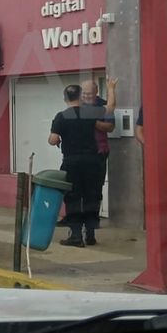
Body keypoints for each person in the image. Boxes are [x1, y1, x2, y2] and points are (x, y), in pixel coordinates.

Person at [48, 81, 116, 247]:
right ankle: (91, 234)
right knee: (91, 196)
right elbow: (111, 107)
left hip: (72, 162)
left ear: (65, 98)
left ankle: (76, 235)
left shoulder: (61, 116)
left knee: (73, 198)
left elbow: (53, 140)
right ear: (80, 97)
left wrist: (58, 136)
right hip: (93, 161)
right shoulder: (90, 113)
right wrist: (111, 89)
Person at [80, 80, 116, 210]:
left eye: (89, 94)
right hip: (80, 152)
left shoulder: (104, 105)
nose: (86, 96)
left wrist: (93, 122)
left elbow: (110, 127)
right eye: (83, 93)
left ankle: (93, 218)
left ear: (96, 92)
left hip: (98, 152)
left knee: (95, 186)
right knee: (79, 186)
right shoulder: (77, 105)